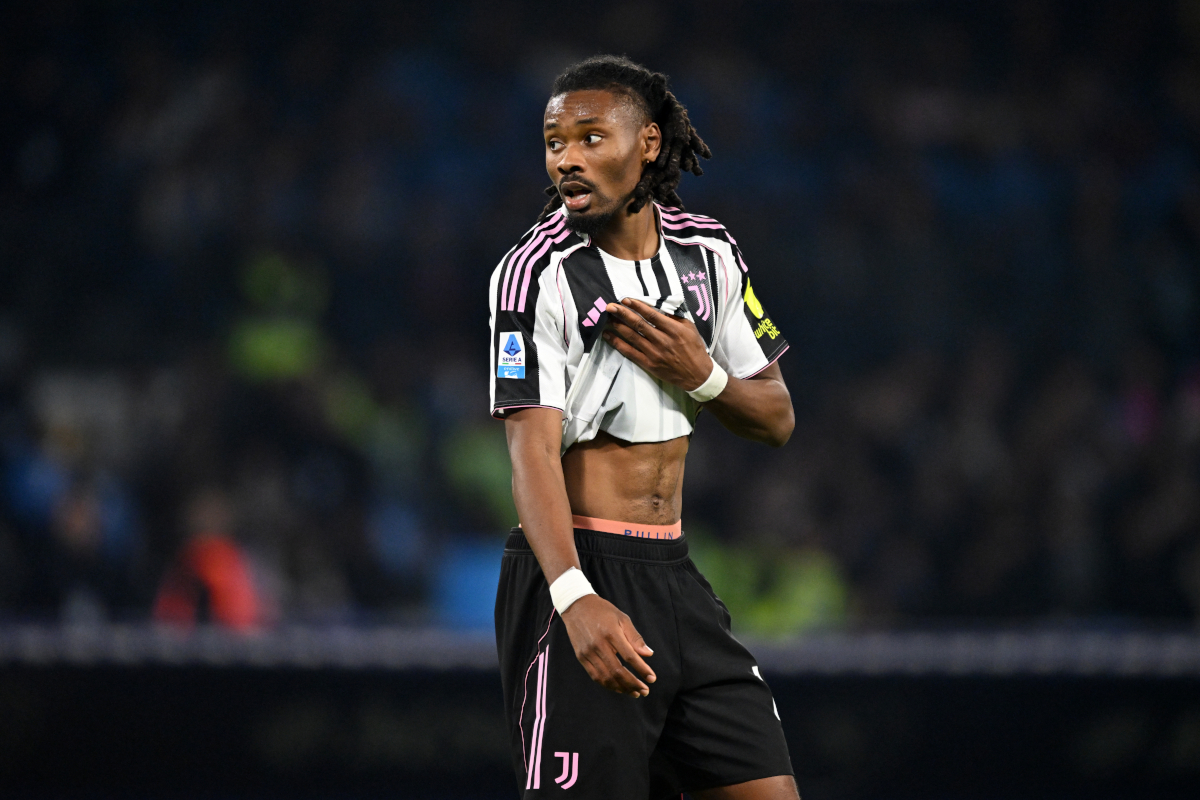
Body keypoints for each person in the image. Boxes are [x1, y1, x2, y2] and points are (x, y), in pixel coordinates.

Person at [490, 55, 798, 799]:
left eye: (591, 137)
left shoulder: (710, 253)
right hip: (578, 571)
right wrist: (575, 599)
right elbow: (529, 455)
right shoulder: (536, 274)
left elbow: (777, 418)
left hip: (677, 577)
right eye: (554, 141)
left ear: (650, 144)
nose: (567, 158)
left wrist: (705, 375)